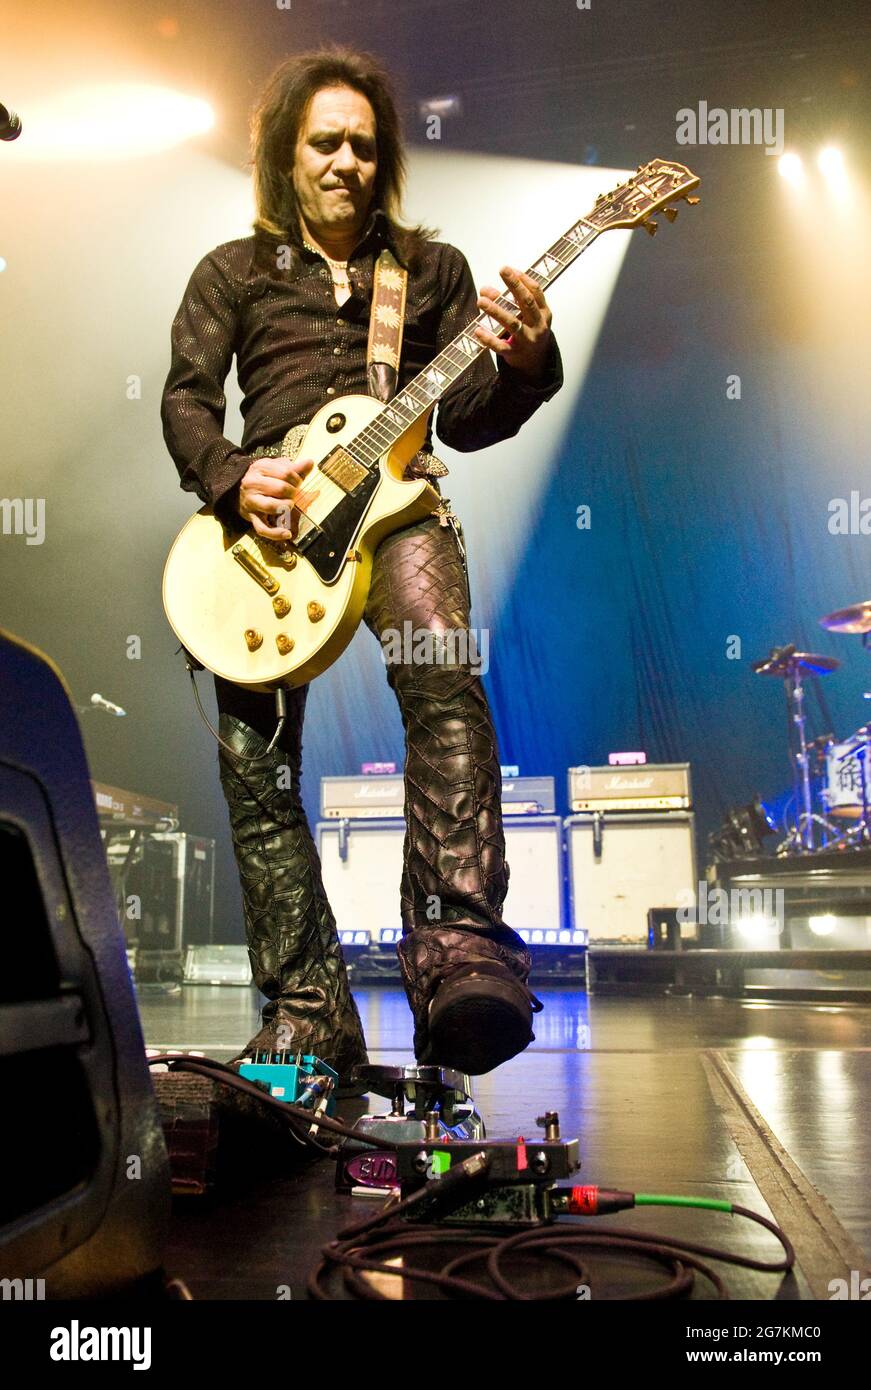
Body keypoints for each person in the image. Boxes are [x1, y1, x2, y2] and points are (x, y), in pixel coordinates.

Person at [161, 46, 563, 1086]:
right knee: (252, 760)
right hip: (275, 531)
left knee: (444, 675)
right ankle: (306, 1011)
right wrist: (230, 477)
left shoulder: (430, 274)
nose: (344, 160)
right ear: (284, 156)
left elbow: (467, 422)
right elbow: (187, 400)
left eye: (361, 145)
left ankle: (460, 956)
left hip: (399, 508)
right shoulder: (232, 273)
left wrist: (521, 361)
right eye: (323, 142)